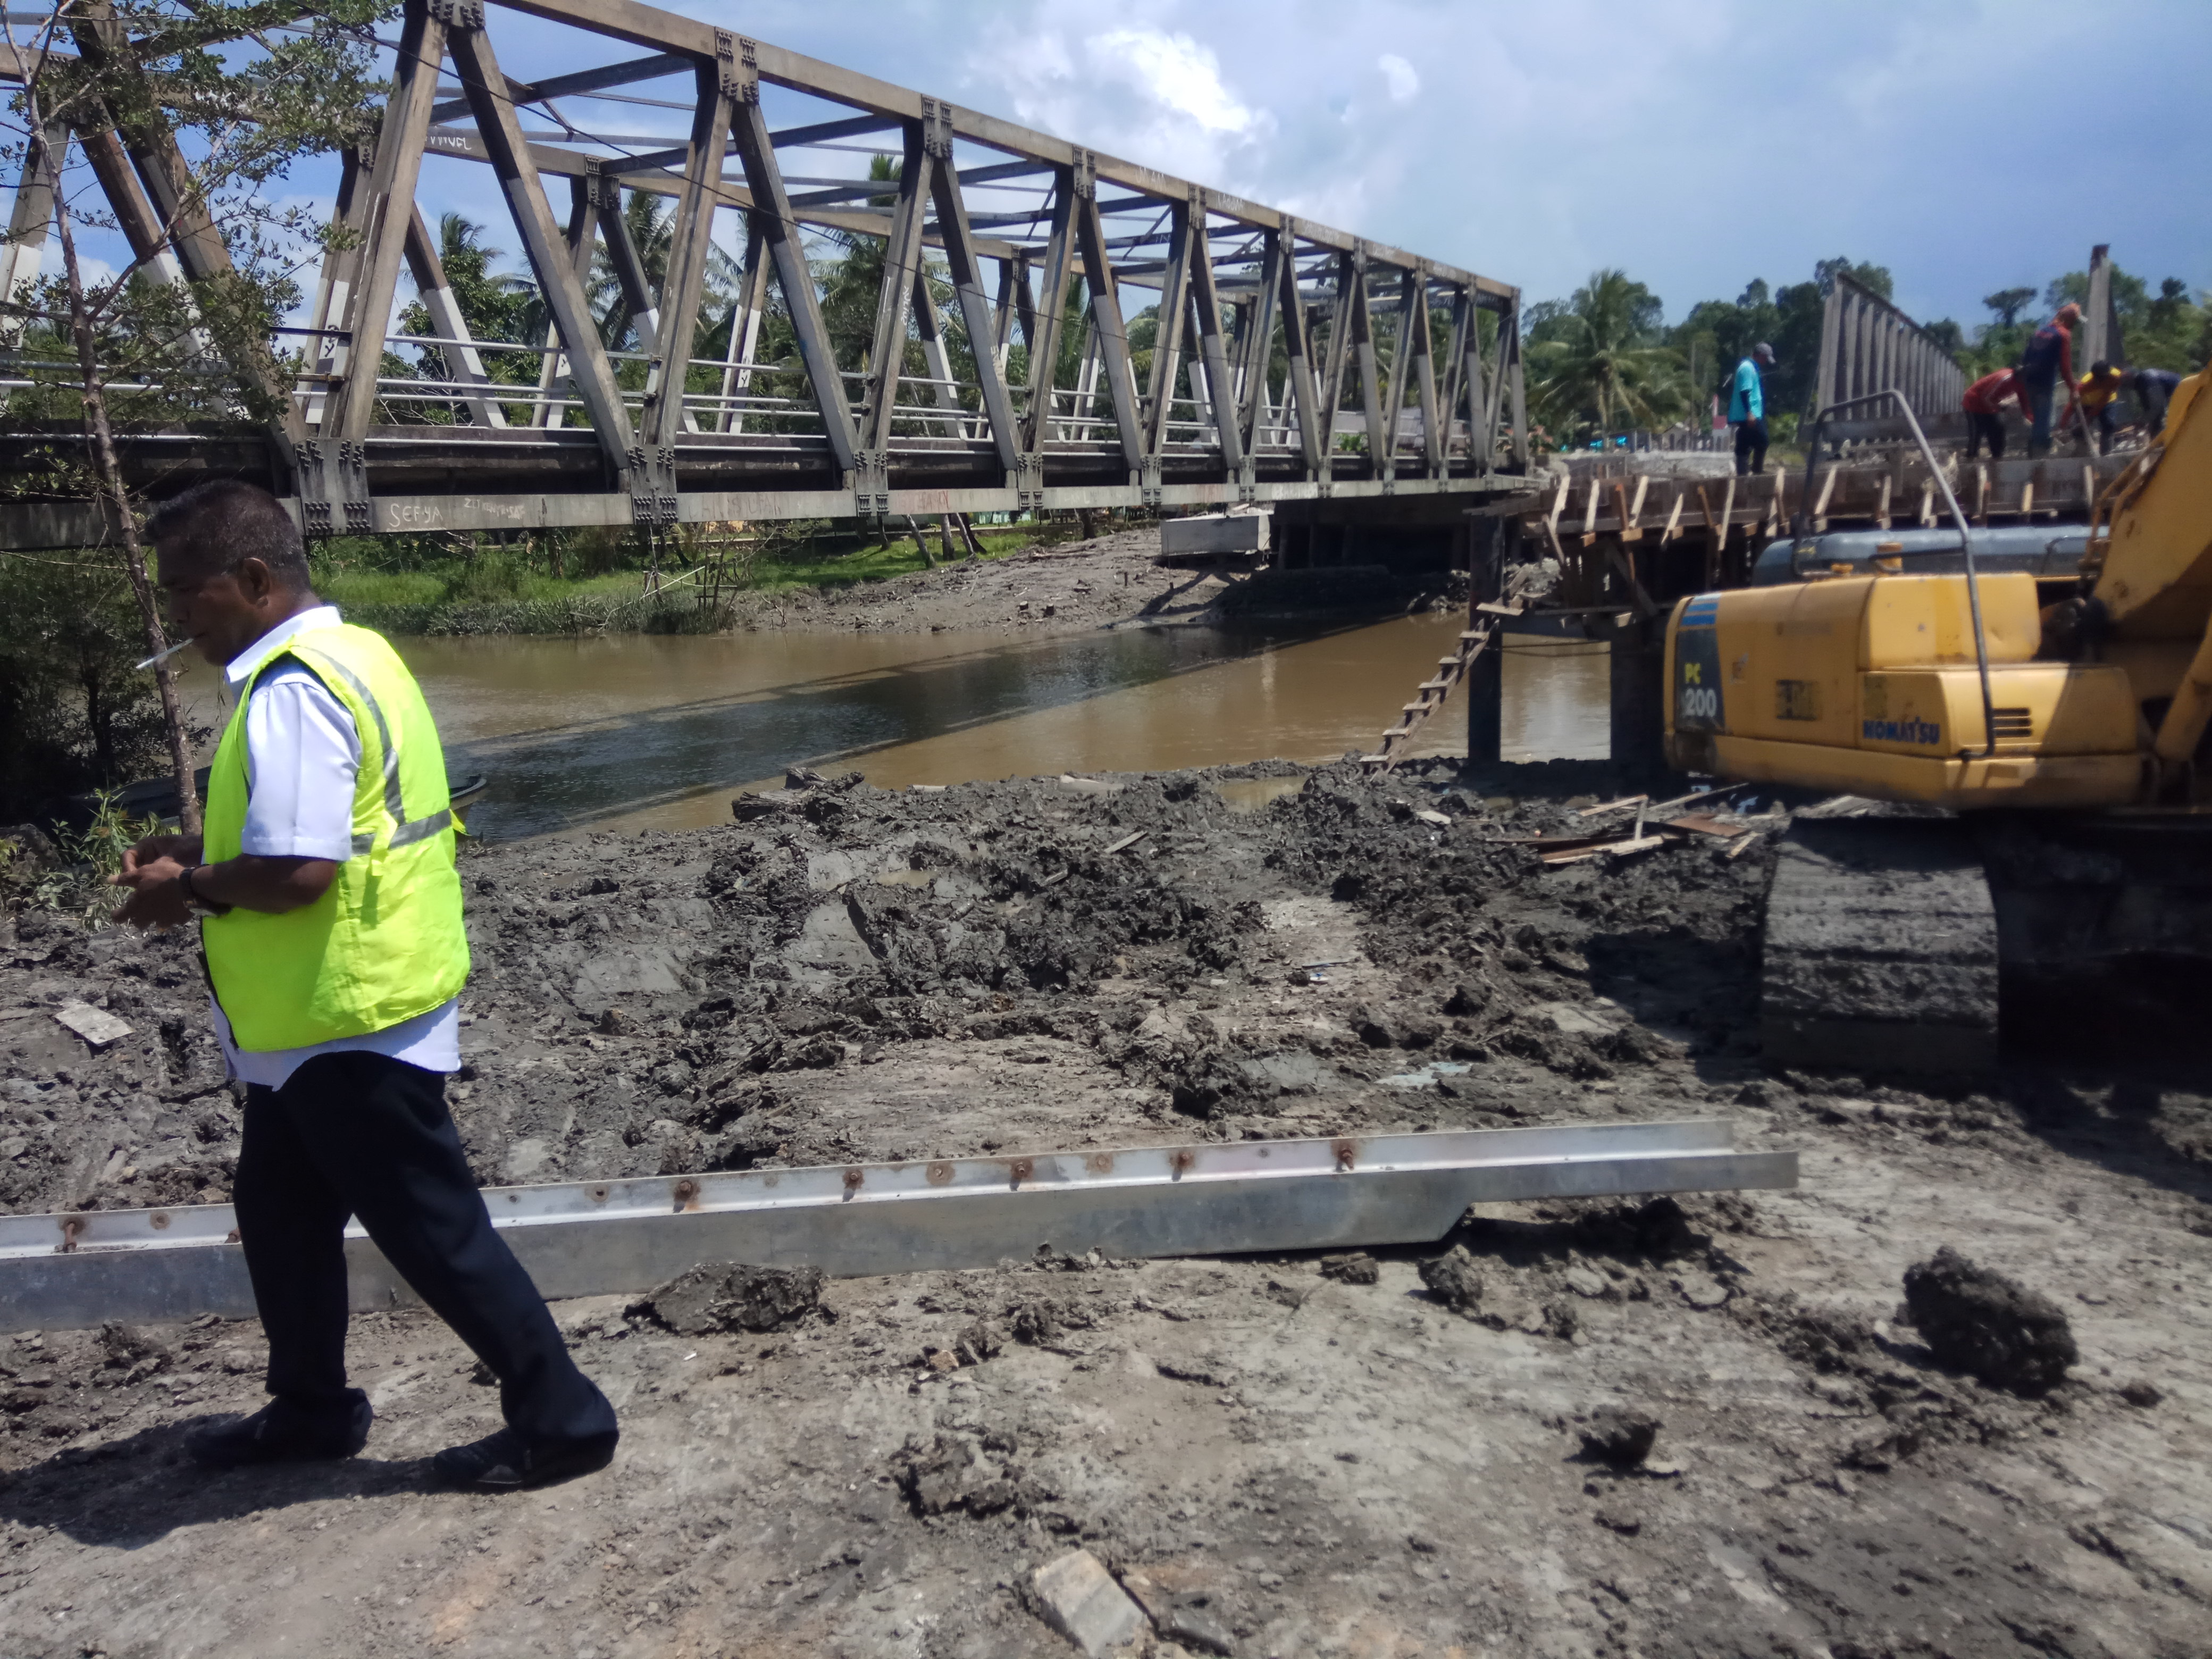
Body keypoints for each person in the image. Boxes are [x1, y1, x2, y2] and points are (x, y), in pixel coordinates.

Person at [111, 480, 617, 1493]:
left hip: (346, 1012)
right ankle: (311, 1407)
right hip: (323, 1017)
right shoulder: (356, 653)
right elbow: (325, 833)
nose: (178, 616)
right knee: (283, 1213)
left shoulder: (294, 685)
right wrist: (201, 851)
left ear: (253, 580)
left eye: (187, 592)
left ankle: (564, 1418)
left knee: (434, 1229)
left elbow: (303, 873)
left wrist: (189, 888)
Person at [2018, 301, 2080, 456]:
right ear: (2071, 319)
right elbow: (2065, 367)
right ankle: (2039, 458)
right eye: (2076, 321)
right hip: (2044, 383)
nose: (2076, 325)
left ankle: (2034, 452)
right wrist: (2074, 389)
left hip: (2029, 380)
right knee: (2045, 422)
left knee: (2038, 420)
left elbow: (2026, 357)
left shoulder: (2041, 331)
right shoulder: (2063, 334)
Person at [1960, 366, 2028, 460]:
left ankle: (1997, 456)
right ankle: (1971, 459)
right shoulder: (2005, 378)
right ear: (2021, 376)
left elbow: (2021, 398)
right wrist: (2002, 408)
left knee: (1998, 429)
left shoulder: (2021, 382)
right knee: (1977, 432)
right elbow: (1986, 398)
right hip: (1974, 402)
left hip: (1990, 403)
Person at [1729, 341, 1774, 476]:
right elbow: (1745, 392)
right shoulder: (1747, 368)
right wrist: (1749, 413)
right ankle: (1757, 471)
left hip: (1749, 413)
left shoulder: (1752, 368)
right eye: (1766, 358)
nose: (1766, 361)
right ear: (1760, 355)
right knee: (1763, 441)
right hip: (1748, 414)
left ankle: (1742, 474)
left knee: (1745, 443)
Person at [2077, 361, 2126, 455]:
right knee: (2082, 428)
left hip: (2108, 401)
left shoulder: (2116, 376)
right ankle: (2083, 453)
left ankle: (2106, 453)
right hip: (2087, 403)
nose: (2101, 381)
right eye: (2098, 378)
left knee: (2108, 424)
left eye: (2103, 378)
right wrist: (2064, 423)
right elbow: (2072, 404)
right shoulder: (2085, 383)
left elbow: (2105, 398)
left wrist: (2092, 415)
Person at [2133, 366, 2182, 435]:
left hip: (2179, 392)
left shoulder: (2148, 380)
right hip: (2172, 392)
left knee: (2171, 421)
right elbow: (2148, 406)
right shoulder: (2142, 383)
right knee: (2157, 420)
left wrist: (2143, 421)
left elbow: (2157, 406)